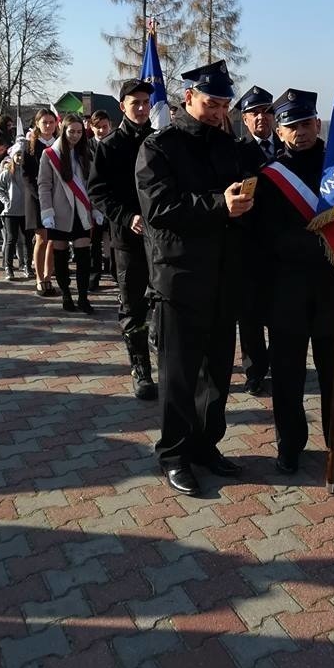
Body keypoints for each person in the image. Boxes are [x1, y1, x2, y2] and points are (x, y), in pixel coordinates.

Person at [136, 60, 253, 496]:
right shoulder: (160, 146)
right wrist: (219, 205)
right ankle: (173, 455)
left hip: (223, 276)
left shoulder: (229, 144)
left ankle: (206, 446)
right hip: (180, 279)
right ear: (189, 98)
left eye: (224, 104)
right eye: (210, 103)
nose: (218, 111)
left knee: (217, 374)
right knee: (179, 377)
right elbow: (160, 210)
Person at [253, 88, 334, 475]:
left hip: (333, 287)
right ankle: (290, 444)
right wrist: (316, 242)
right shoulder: (269, 178)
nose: (300, 131)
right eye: (291, 126)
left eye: (305, 123)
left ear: (317, 124)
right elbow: (265, 236)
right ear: (279, 132)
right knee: (287, 375)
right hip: (286, 291)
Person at [90, 82, 158, 399]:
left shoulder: (160, 141)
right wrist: (125, 216)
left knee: (162, 302)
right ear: (123, 106)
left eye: (146, 102)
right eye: (136, 103)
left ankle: (167, 361)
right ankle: (140, 370)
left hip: (161, 239)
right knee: (132, 304)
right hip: (127, 239)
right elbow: (98, 192)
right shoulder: (109, 146)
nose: (142, 108)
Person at [234, 85, 281, 394]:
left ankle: (282, 365)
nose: (260, 118)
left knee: (280, 311)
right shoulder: (236, 152)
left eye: (265, 111)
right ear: (245, 120)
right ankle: (254, 370)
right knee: (249, 314)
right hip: (248, 245)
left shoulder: (288, 147)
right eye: (253, 113)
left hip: (282, 246)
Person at [37, 113, 94, 314]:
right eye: (72, 131)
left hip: (81, 211)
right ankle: (66, 295)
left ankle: (83, 297)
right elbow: (44, 185)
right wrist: (47, 211)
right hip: (59, 212)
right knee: (60, 256)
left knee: (83, 255)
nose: (75, 136)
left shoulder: (86, 153)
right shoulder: (50, 154)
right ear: (64, 130)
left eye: (79, 132)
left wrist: (95, 209)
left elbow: (90, 184)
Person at [23, 108, 59, 296]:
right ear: (37, 124)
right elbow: (26, 176)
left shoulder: (60, 144)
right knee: (42, 238)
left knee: (54, 239)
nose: (48, 125)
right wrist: (40, 196)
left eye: (51, 122)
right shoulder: (30, 146)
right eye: (44, 122)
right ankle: (39, 278)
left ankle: (48, 276)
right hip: (37, 199)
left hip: (58, 198)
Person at [0, 144, 34, 281]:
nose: (20, 158)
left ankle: (27, 266)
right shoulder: (6, 173)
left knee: (28, 240)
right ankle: (9, 267)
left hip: (26, 211)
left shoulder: (28, 172)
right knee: (11, 239)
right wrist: (6, 201)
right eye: (17, 155)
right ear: (12, 156)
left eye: (22, 155)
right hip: (10, 212)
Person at [87, 109, 113, 292]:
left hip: (113, 199)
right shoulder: (86, 147)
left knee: (113, 240)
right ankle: (94, 277)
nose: (102, 131)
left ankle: (114, 272)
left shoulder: (115, 144)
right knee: (94, 242)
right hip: (93, 200)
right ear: (91, 127)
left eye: (105, 127)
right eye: (98, 127)